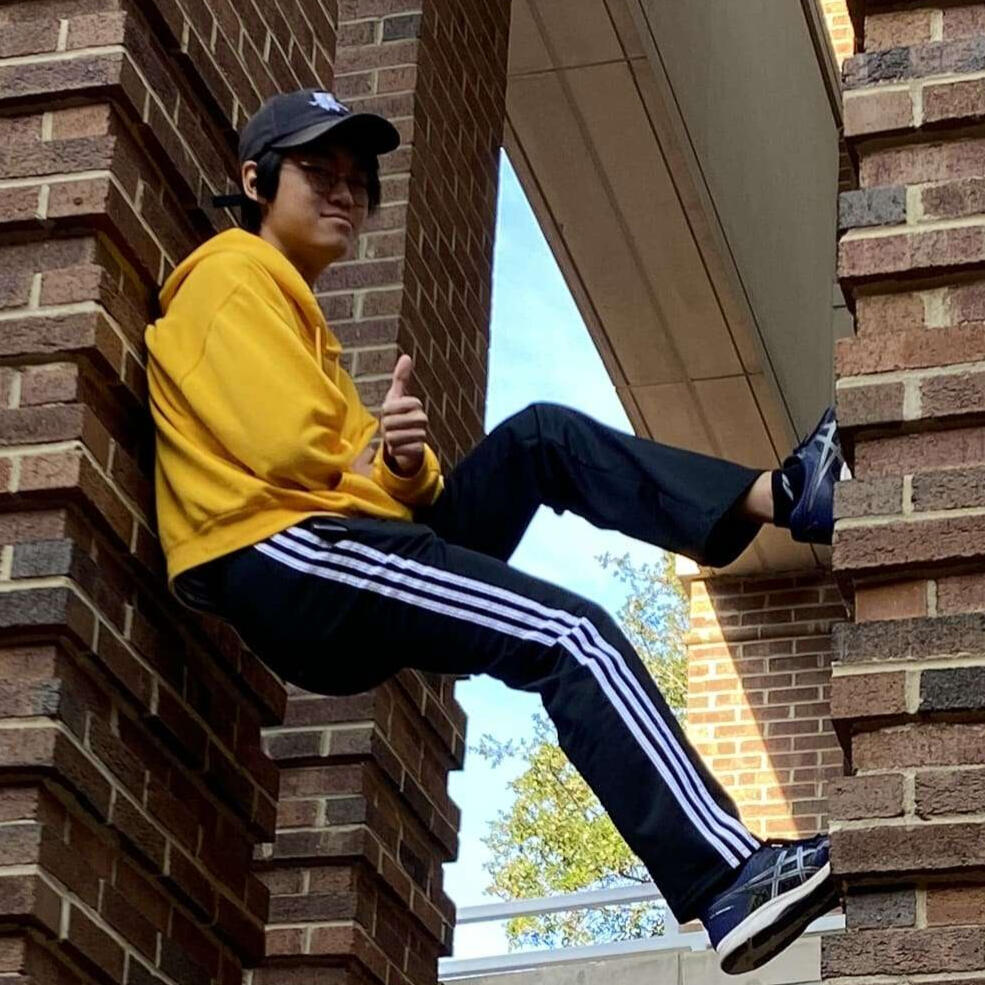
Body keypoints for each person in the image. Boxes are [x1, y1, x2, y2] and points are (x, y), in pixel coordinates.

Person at [144, 88, 844, 974]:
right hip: (288, 560)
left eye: (358, 182)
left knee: (541, 440)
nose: (343, 195)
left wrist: (394, 465)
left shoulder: (291, 310)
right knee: (571, 635)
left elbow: (376, 471)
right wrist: (371, 463)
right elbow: (288, 454)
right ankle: (727, 879)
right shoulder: (228, 275)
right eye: (318, 172)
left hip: (328, 544)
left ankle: (785, 494)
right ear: (254, 179)